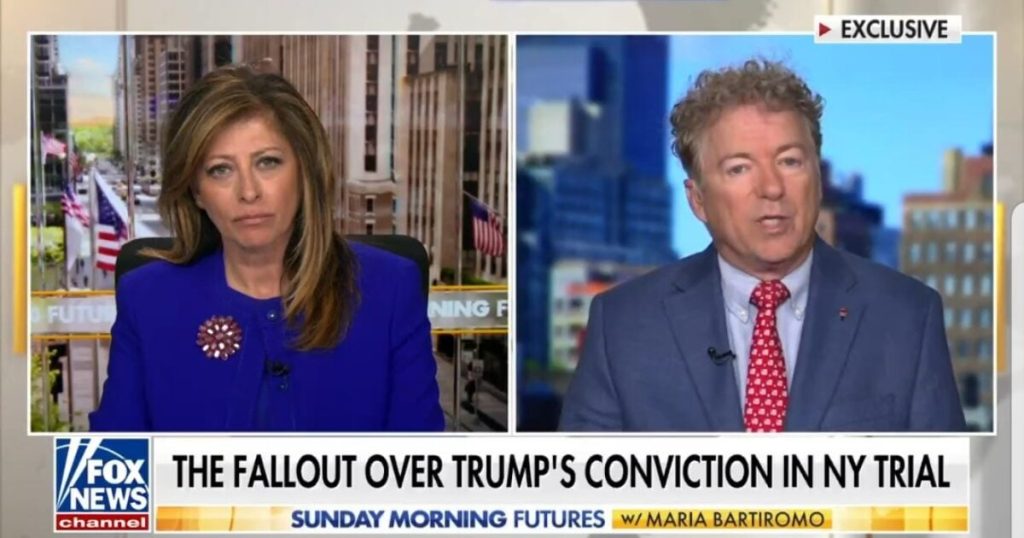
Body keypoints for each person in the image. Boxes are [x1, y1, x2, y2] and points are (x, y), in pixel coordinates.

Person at [560, 59, 967, 432]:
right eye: (739, 168)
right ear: (698, 200)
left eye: (790, 161)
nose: (772, 188)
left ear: (818, 178)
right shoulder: (624, 325)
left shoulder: (907, 316)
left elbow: (945, 484)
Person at [90, 66, 445, 432]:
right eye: (220, 170)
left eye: (268, 162)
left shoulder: (390, 289)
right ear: (196, 191)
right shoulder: (147, 299)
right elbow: (111, 463)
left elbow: (420, 461)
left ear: (304, 172)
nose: (248, 192)